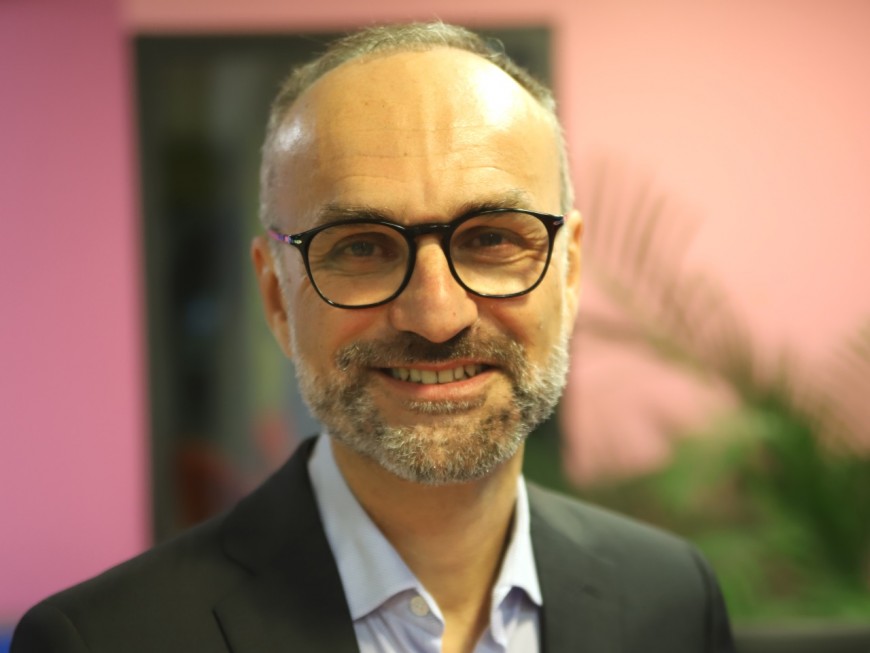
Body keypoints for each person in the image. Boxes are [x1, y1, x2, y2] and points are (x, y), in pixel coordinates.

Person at [12, 22, 734, 653]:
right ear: (276, 295)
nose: (438, 314)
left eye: (490, 238)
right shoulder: (104, 641)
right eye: (361, 247)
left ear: (568, 272)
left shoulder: (672, 597)